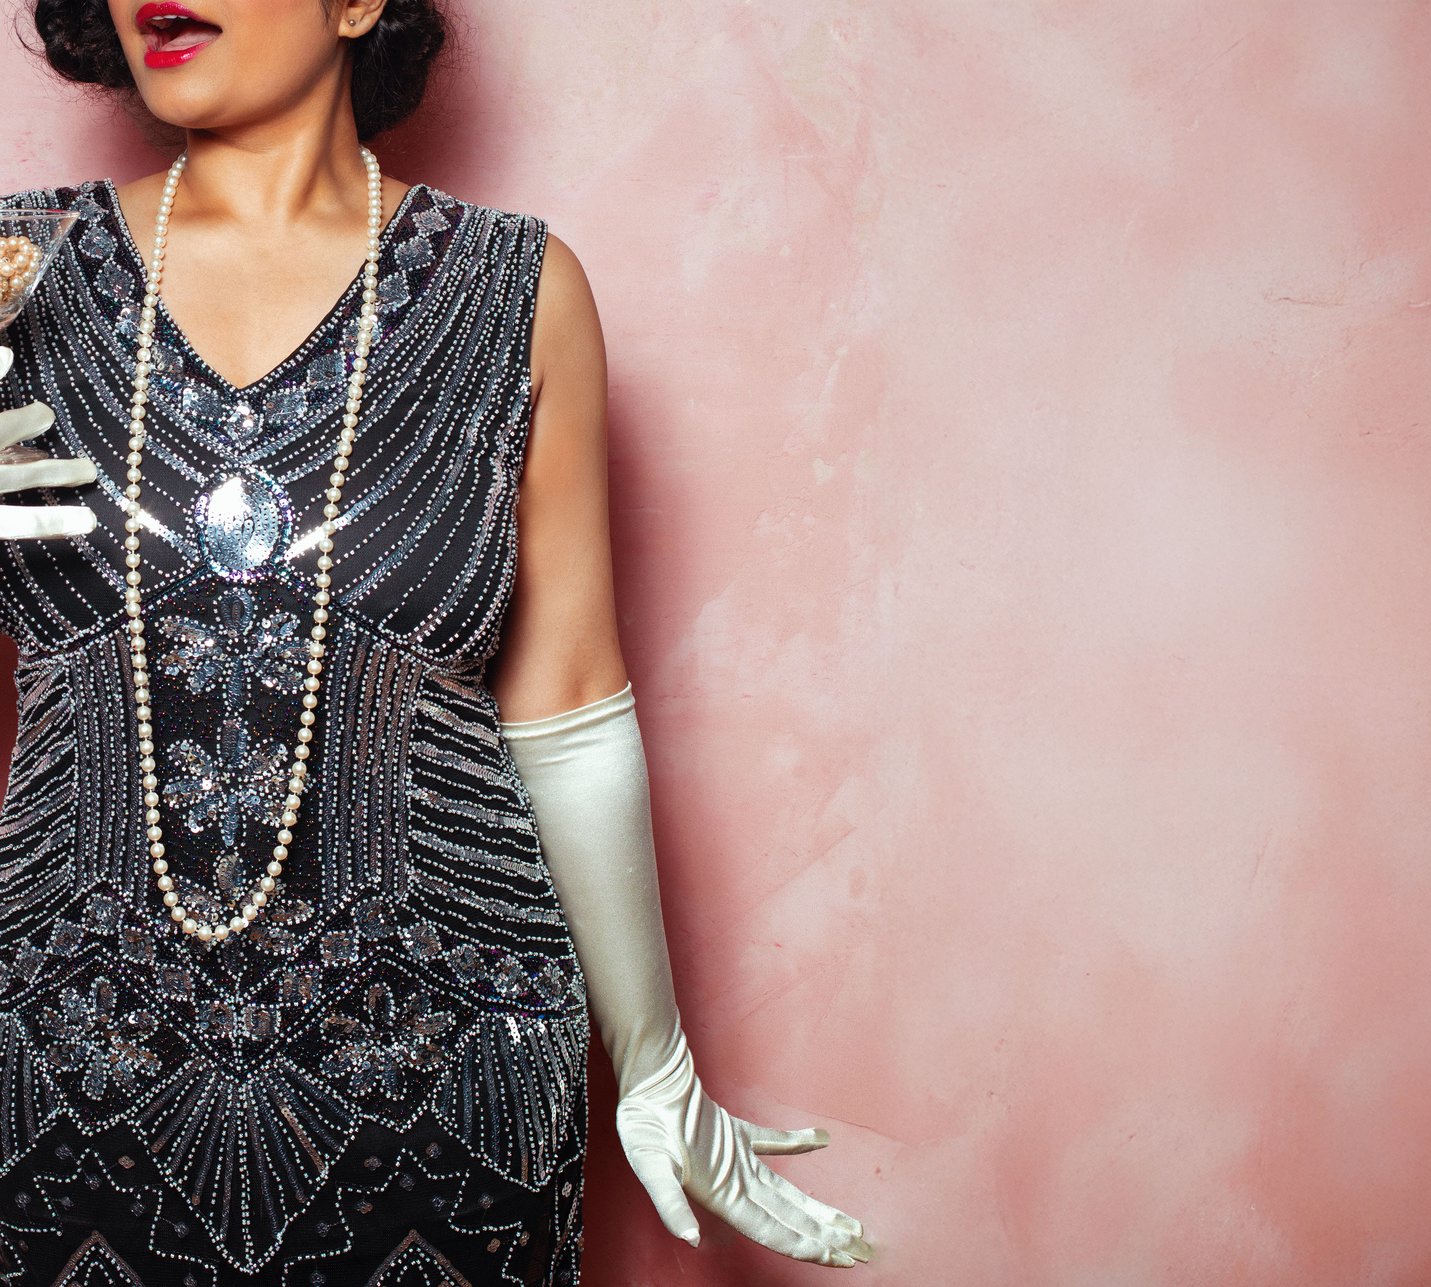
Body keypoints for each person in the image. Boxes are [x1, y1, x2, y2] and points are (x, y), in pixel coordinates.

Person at [0, 0, 872, 1281]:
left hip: (448, 1089)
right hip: (65, 1082)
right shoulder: (14, 274)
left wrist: (655, 1062)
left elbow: (568, 703)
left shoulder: (520, 290)